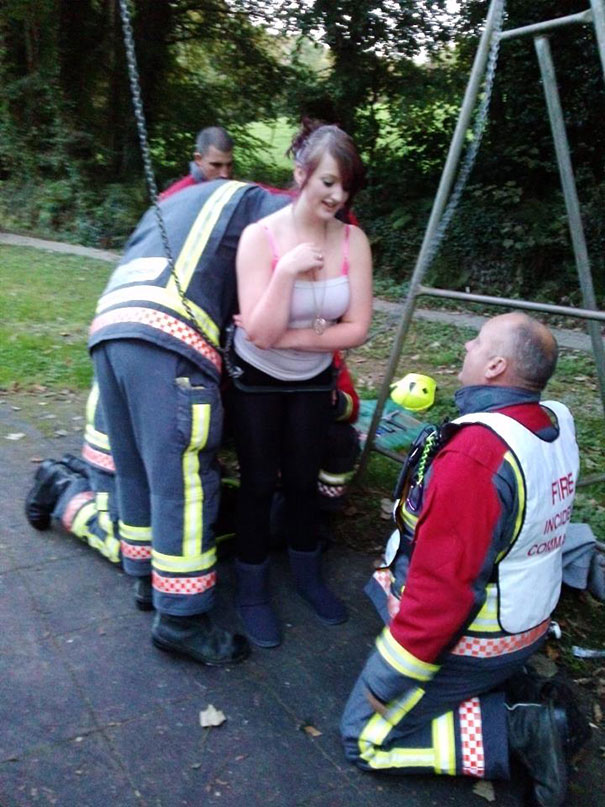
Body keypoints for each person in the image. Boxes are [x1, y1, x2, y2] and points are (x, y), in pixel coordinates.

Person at [25, 178, 292, 666]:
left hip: (111, 327)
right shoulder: (280, 215)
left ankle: (148, 582)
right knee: (185, 485)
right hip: (171, 342)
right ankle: (182, 619)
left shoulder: (191, 198)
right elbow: (265, 317)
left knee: (137, 472)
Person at [340, 313, 584, 806]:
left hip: (478, 638)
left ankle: (519, 728)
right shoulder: (552, 423)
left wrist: (387, 679)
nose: (466, 347)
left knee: (362, 738)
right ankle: (510, 688)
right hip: (527, 616)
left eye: (477, 342)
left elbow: (444, 593)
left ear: (495, 366)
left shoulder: (478, 454)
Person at [228, 121, 372, 649]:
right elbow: (258, 336)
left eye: (347, 185)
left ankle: (307, 576)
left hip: (312, 380)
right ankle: (251, 587)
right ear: (300, 174)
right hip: (257, 382)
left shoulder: (352, 241)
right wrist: (285, 272)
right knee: (261, 479)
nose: (338, 195)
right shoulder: (259, 239)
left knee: (305, 477)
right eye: (329, 182)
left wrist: (293, 335)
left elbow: (356, 328)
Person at [158, 126, 233, 200]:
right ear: (198, 159)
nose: (224, 174)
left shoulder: (232, 189)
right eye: (216, 165)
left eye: (229, 165)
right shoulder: (174, 197)